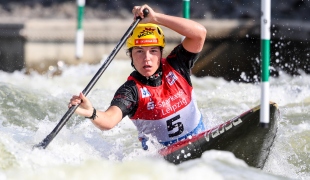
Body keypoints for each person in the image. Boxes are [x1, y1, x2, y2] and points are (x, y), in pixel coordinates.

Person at [68, 4, 207, 150]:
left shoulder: (177, 65)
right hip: (164, 157)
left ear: (160, 53)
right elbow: (109, 121)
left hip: (200, 138)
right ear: (131, 57)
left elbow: (199, 34)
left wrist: (155, 18)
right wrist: (91, 112)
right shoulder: (131, 91)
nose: (147, 58)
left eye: (153, 51)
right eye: (139, 51)